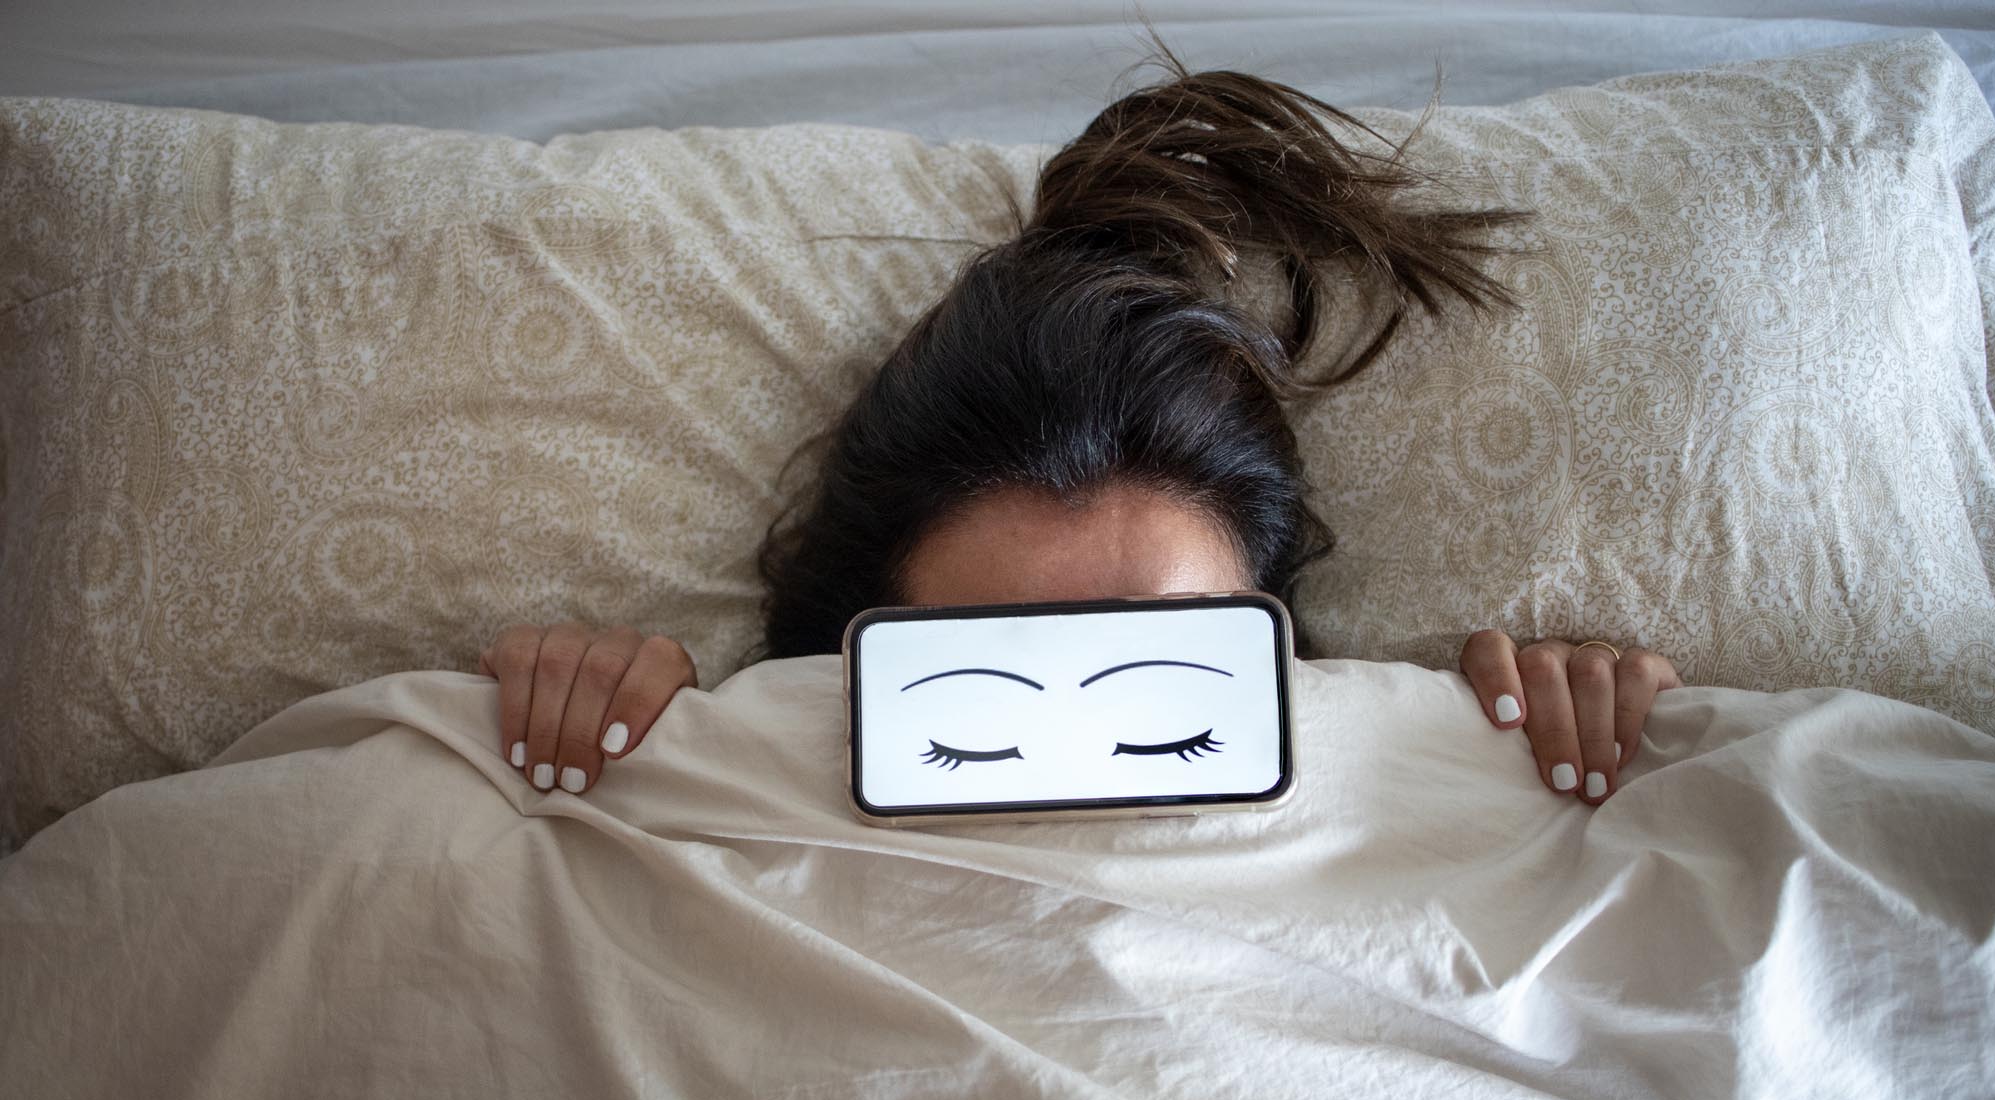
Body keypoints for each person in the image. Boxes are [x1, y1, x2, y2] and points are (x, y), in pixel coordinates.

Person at [477, 36, 1680, 808]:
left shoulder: (1416, 769)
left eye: (1163, 702)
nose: (1088, 790)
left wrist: (1538, 769)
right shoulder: (736, 774)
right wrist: (649, 744)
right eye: (975, 716)